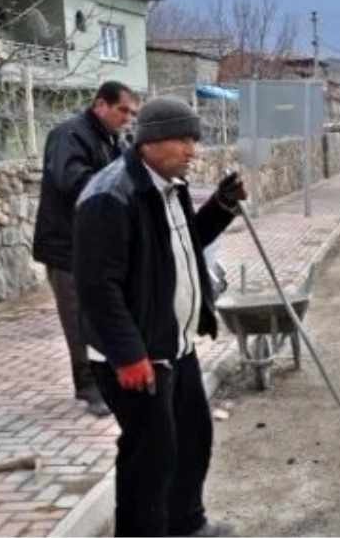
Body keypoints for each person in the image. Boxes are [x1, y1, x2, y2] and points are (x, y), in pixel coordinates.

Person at [74, 96, 246, 537]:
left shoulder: (171, 187)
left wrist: (221, 208)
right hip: (138, 357)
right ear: (150, 140)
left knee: (192, 439)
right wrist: (128, 354)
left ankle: (185, 525)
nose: (192, 150)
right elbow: (97, 286)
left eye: (195, 139)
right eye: (182, 139)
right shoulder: (111, 195)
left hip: (175, 344)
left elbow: (184, 244)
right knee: (149, 459)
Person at [32, 80, 137, 417]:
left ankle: (107, 377)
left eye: (132, 113)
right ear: (100, 105)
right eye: (122, 110)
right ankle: (90, 388)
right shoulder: (69, 134)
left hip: (96, 245)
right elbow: (72, 179)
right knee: (78, 317)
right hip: (66, 246)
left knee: (103, 312)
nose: (127, 118)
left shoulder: (112, 140)